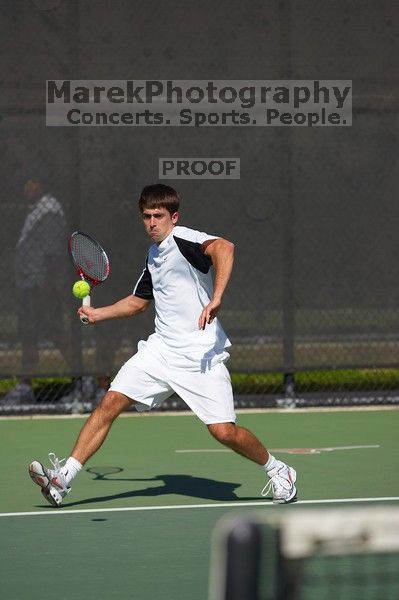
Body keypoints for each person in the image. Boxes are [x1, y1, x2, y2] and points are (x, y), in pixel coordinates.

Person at [28, 184, 297, 506]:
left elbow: (225, 248)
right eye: (146, 216)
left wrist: (216, 298)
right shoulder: (154, 255)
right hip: (160, 351)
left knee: (224, 432)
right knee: (110, 403)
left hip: (200, 356)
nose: (152, 222)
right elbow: (139, 303)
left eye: (159, 216)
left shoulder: (186, 239)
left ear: (174, 217)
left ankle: (279, 469)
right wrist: (97, 314)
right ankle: (63, 479)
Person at [5, 176, 69, 403]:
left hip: (41, 286)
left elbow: (51, 252)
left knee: (55, 333)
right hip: (30, 285)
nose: (27, 187)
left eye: (32, 182)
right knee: (29, 335)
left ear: (42, 184)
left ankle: (88, 380)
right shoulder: (37, 209)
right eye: (26, 182)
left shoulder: (49, 210)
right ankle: (26, 387)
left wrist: (46, 287)